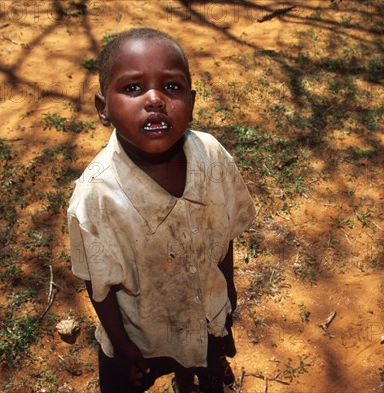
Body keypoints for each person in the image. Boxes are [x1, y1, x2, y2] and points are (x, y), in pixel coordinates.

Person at [67, 28, 256, 393]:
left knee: (207, 367)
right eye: (133, 88)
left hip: (206, 313)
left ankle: (195, 377)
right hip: (139, 332)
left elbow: (223, 235)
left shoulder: (212, 158)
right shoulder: (96, 198)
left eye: (171, 87)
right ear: (103, 109)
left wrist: (227, 294)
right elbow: (98, 282)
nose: (155, 99)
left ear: (192, 101)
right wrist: (122, 346)